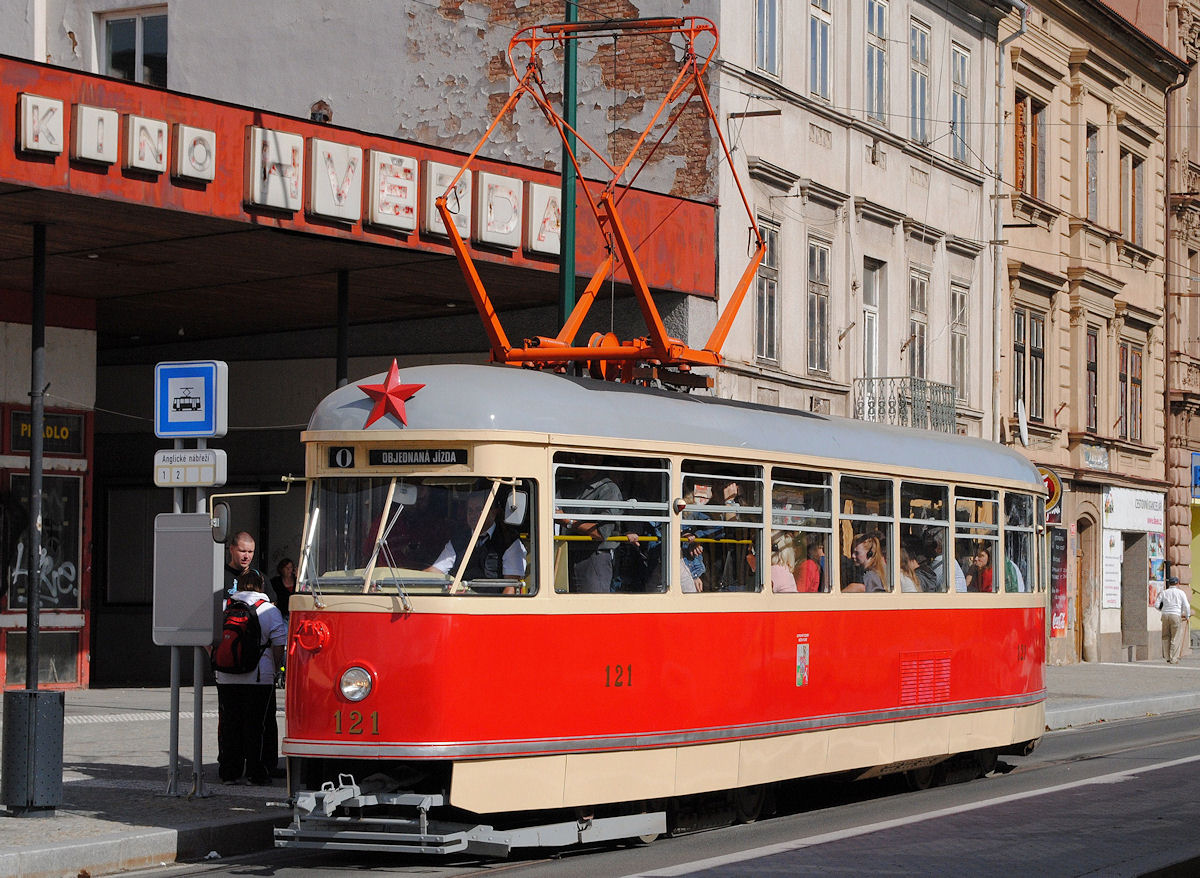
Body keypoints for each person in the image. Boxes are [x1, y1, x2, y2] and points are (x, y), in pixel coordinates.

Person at [214, 569, 286, 786]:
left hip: (226, 676)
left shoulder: (225, 608)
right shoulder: (268, 610)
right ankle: (257, 773)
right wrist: (274, 670)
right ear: (261, 586)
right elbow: (279, 644)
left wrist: (217, 661)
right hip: (258, 677)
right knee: (257, 726)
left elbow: (209, 638)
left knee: (230, 725)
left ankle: (229, 773)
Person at [427, 491, 526, 591]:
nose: (473, 515)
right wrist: (413, 580)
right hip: (459, 602)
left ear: (493, 512)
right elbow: (436, 570)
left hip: (491, 604)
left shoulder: (509, 542)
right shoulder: (458, 540)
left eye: (479, 510)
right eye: (470, 510)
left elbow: (511, 588)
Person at [559, 472, 622, 593]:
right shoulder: (573, 487)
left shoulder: (608, 489)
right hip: (569, 553)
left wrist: (568, 521)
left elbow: (601, 533)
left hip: (594, 557)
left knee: (593, 604)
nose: (578, 460)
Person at [1156, 577, 1191, 663]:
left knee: (1165, 636)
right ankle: (1173, 658)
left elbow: (1156, 605)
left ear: (1169, 584)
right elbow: (1187, 606)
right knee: (1176, 637)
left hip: (1165, 615)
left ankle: (1167, 657)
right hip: (1175, 615)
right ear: (1178, 583)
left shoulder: (1164, 592)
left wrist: (1162, 610)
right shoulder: (1181, 593)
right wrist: (1187, 615)